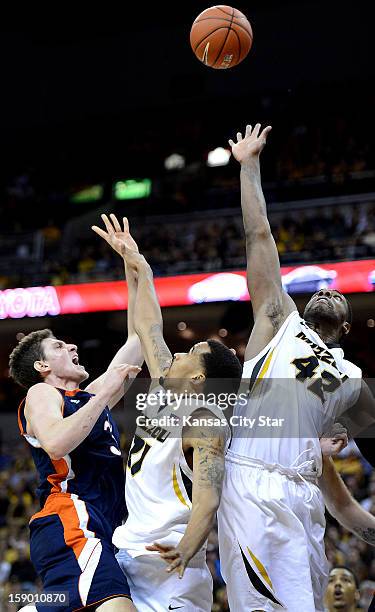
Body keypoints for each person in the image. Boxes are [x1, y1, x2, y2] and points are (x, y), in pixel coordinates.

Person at [217, 123, 372, 612]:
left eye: (339, 296)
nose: (328, 291)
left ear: (346, 329)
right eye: (321, 291)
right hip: (254, 484)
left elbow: (351, 485)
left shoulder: (350, 378)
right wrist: (249, 166)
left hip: (304, 496)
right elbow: (258, 235)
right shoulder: (279, 321)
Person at [92, 214, 242, 612]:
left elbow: (208, 498)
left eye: (191, 354)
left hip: (170, 563)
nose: (179, 351)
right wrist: (136, 264)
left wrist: (187, 552)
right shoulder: (163, 387)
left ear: (198, 378)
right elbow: (147, 328)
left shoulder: (205, 420)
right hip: (128, 551)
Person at [8, 229, 143, 612]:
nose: (73, 347)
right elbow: (55, 443)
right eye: (59, 347)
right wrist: (105, 394)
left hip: (103, 523)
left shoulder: (83, 398)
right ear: (42, 366)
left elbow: (138, 337)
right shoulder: (41, 394)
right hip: (73, 516)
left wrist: (132, 264)